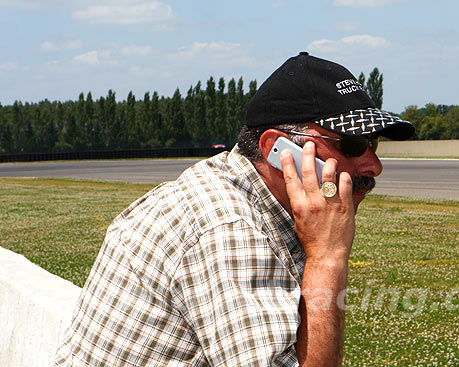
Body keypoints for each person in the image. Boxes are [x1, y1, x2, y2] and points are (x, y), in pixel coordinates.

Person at [53, 52, 414, 367]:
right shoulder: (228, 227)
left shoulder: (233, 189)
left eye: (374, 142)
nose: (374, 165)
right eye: (351, 144)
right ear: (279, 149)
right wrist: (328, 258)